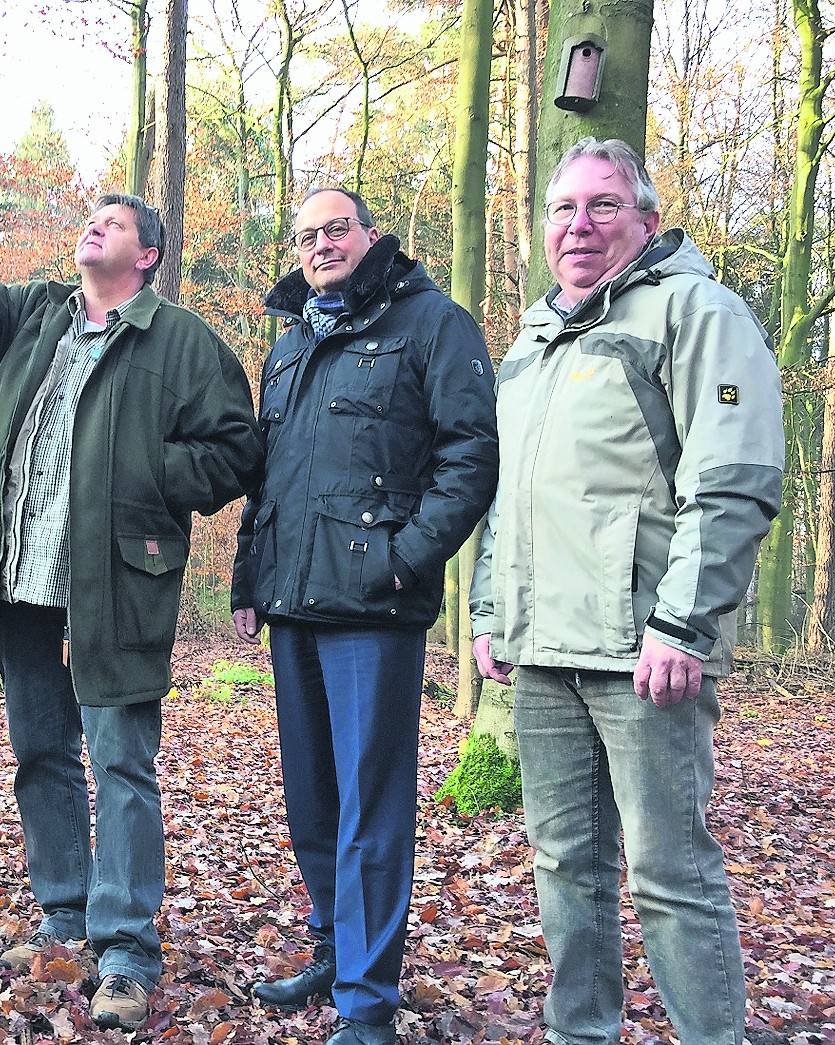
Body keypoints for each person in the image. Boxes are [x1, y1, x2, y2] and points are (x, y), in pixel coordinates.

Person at [0, 150, 261, 1030]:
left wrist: (144, 470)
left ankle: (126, 949)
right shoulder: (37, 315)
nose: (92, 225)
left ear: (147, 255)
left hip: (119, 580)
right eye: (91, 216)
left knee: (120, 762)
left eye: (112, 221)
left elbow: (233, 449)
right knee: (41, 753)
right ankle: (64, 916)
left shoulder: (182, 341)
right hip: (18, 576)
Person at [471, 137, 784, 1045]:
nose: (578, 225)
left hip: (643, 652)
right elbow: (508, 495)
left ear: (646, 219)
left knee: (668, 869)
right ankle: (582, 1033)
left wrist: (684, 626)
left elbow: (733, 480)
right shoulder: (535, 334)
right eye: (562, 208)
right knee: (564, 863)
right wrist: (491, 610)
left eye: (602, 205)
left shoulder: (696, 310)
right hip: (541, 650)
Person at [231, 188, 499, 1044]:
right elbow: (268, 475)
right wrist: (248, 575)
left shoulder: (432, 324)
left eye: (335, 228)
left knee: (370, 805)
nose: (320, 244)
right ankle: (332, 946)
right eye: (306, 234)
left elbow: (470, 457)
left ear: (371, 235)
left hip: (374, 610)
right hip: (293, 602)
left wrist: (403, 558)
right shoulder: (289, 345)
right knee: (312, 797)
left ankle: (368, 999)